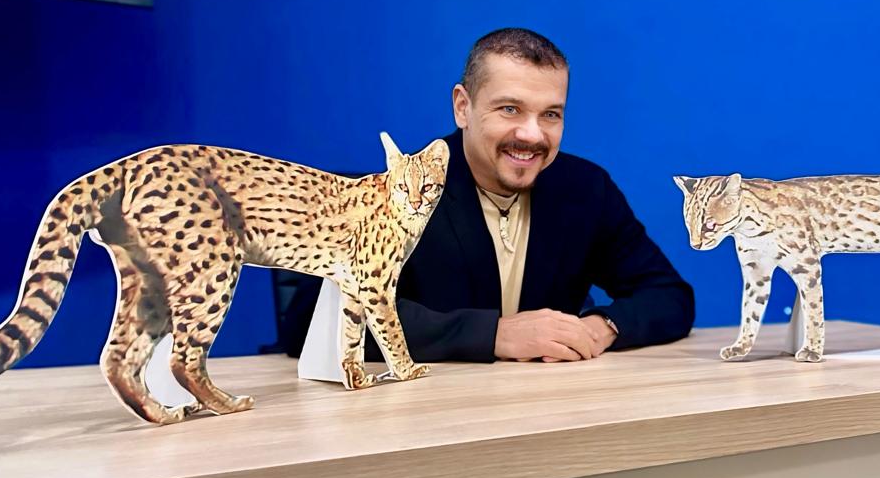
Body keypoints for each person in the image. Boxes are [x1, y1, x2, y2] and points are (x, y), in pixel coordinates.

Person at [283, 27, 694, 363]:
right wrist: (493, 335)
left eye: (550, 114)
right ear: (463, 107)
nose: (532, 134)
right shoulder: (398, 191)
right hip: (418, 414)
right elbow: (310, 322)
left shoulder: (586, 189)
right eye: (510, 109)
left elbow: (670, 297)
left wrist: (600, 327)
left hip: (545, 411)